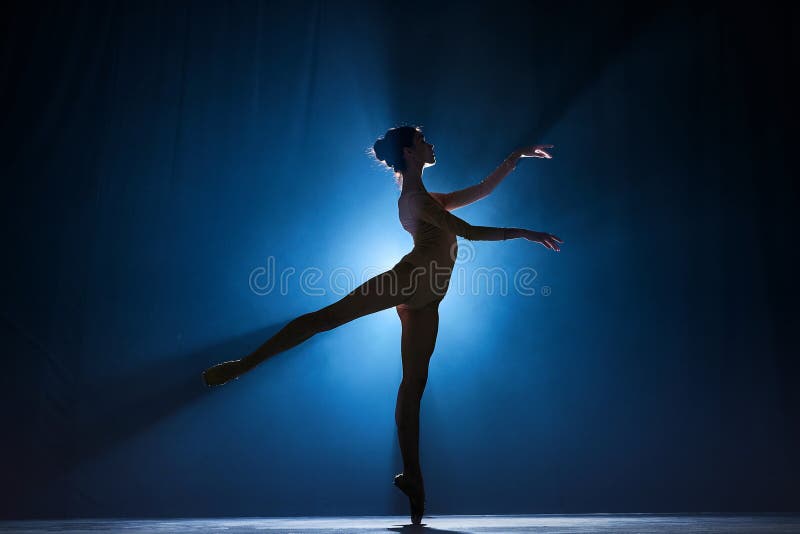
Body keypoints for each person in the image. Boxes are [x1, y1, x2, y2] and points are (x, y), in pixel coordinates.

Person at [201, 125, 562, 525]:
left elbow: (483, 190)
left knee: (414, 387)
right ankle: (245, 363)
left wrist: (515, 156)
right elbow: (470, 232)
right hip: (406, 282)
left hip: (429, 302)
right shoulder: (413, 200)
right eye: (423, 140)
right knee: (328, 318)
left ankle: (413, 478)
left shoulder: (433, 198)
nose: (431, 143)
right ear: (409, 152)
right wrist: (526, 233)